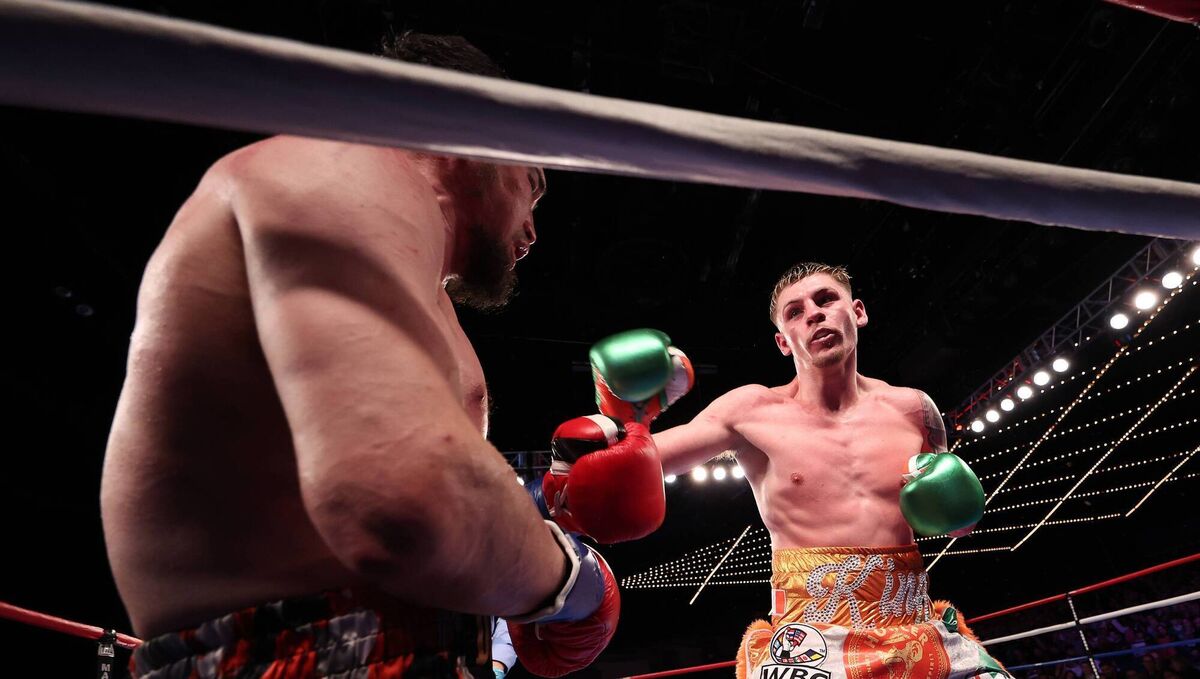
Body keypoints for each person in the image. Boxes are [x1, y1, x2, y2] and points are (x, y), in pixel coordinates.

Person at [100, 32, 650, 679]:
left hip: (365, 642)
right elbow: (409, 500)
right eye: (533, 183)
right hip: (302, 649)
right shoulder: (338, 168)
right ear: (478, 134)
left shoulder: (417, 292)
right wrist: (572, 579)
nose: (533, 223)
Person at [582, 262, 1002, 679]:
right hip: (814, 647)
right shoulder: (751, 411)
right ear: (784, 342)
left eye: (825, 300)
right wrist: (628, 420)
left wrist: (959, 510)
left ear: (857, 312)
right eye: (795, 312)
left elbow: (954, 524)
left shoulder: (914, 409)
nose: (814, 314)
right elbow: (627, 470)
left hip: (917, 630)